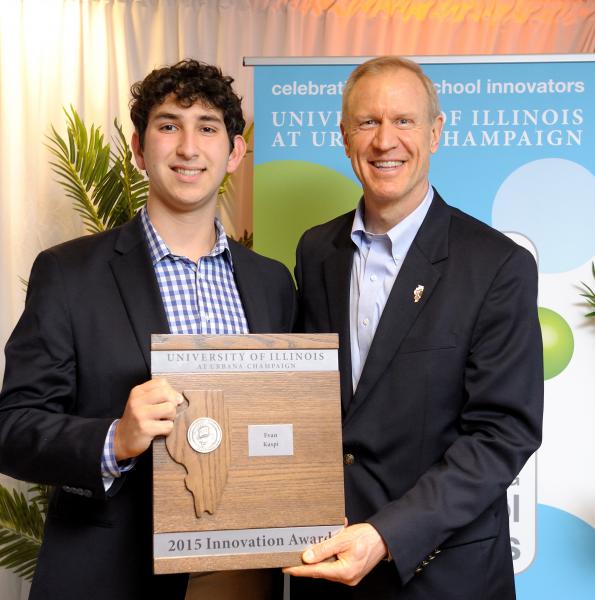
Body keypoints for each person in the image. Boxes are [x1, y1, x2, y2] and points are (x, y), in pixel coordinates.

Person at [0, 59, 295, 600]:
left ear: (234, 153)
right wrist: (116, 438)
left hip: (248, 573)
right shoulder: (68, 274)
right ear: (139, 149)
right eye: (168, 125)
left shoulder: (273, 283)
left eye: (207, 127)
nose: (188, 147)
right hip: (112, 574)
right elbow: (14, 429)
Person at [285, 56, 543, 599]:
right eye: (368, 122)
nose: (385, 141)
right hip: (325, 567)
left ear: (435, 132)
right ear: (344, 136)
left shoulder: (497, 265)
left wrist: (386, 535)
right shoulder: (315, 251)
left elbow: (503, 434)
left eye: (403, 121)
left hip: (444, 574)